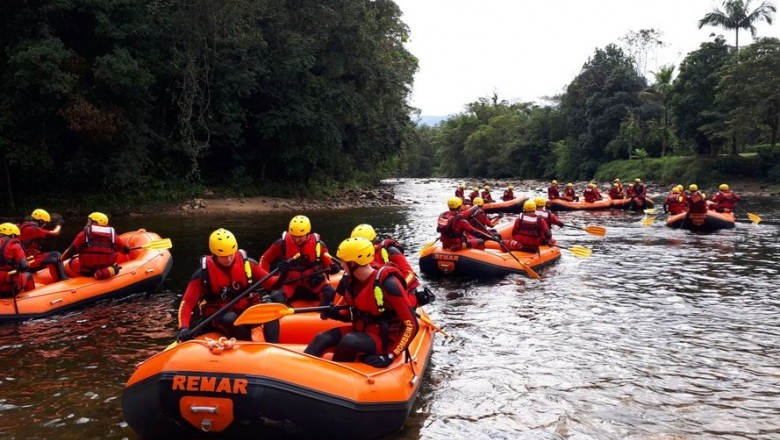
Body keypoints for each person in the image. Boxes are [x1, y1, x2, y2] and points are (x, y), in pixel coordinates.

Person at [303, 237, 419, 368]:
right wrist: (336, 313)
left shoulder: (388, 283)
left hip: (385, 338)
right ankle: (301, 375)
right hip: (362, 329)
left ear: (353, 264)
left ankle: (335, 376)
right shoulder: (352, 281)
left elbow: (411, 325)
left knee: (350, 341)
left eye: (343, 262)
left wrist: (390, 355)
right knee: (322, 338)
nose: (341, 265)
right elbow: (356, 313)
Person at [177, 229, 288, 342]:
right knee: (230, 319)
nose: (229, 259)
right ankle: (248, 344)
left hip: (245, 308)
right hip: (220, 314)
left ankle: (274, 346)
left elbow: (272, 285)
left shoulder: (248, 264)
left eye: (231, 255)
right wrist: (183, 327)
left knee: (271, 312)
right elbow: (187, 304)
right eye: (224, 256)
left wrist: (283, 275)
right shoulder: (202, 275)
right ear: (214, 254)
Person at [259, 215, 340, 307]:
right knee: (275, 296)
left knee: (330, 293)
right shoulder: (282, 244)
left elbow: (329, 264)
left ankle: (322, 314)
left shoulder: (319, 245)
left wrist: (333, 268)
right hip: (289, 284)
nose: (297, 239)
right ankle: (286, 317)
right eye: (294, 236)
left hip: (311, 285)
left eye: (300, 236)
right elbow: (265, 259)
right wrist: (267, 281)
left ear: (307, 233)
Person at [349, 223, 424, 306]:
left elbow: (410, 274)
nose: (361, 248)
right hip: (375, 293)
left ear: (373, 241)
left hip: (398, 292)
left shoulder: (391, 251)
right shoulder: (356, 258)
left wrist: (395, 288)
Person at [60, 212, 130, 280]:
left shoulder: (83, 235)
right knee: (114, 265)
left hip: (86, 271)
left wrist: (60, 260)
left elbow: (70, 251)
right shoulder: (114, 236)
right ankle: (104, 272)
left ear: (95, 223)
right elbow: (126, 251)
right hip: (104, 267)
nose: (87, 224)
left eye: (89, 222)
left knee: (70, 263)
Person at [18, 208, 68, 281]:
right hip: (27, 261)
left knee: (55, 254)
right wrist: (59, 224)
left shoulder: (25, 227)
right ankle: (62, 279)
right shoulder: (31, 229)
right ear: (40, 221)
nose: (44, 225)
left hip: (28, 258)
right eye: (44, 222)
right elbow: (54, 233)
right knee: (55, 257)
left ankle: (60, 277)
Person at [0, 223, 35, 297]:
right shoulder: (14, 246)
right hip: (7, 283)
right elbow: (24, 266)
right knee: (28, 275)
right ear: (12, 235)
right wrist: (27, 263)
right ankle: (32, 299)